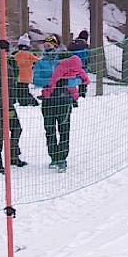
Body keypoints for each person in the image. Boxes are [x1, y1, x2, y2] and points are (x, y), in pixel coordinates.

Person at [36, 36, 89, 171]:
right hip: (48, 100)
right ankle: (53, 156)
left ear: (57, 46)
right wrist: (51, 81)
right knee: (49, 129)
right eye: (46, 45)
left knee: (64, 129)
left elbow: (79, 78)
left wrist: (66, 81)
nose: (47, 47)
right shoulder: (41, 62)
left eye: (50, 45)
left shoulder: (67, 59)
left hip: (64, 99)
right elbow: (36, 79)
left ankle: (62, 158)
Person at [0, 46, 27, 173]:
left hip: (1, 103)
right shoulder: (3, 65)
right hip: (3, 104)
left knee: (13, 129)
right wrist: (13, 64)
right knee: (3, 132)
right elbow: (13, 79)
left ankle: (12, 156)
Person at [13, 33, 41, 106]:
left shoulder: (16, 55)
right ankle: (29, 101)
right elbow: (38, 60)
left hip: (18, 76)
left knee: (19, 91)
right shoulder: (30, 55)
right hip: (28, 76)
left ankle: (24, 102)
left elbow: (11, 60)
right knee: (25, 90)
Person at [67, 29, 90, 97]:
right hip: (81, 66)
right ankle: (82, 93)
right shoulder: (85, 46)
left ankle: (71, 93)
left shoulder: (72, 44)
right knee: (83, 79)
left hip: (70, 65)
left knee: (71, 79)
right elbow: (85, 57)